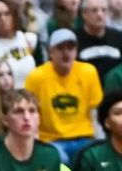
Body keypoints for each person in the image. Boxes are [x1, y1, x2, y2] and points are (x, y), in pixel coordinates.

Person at [23, 28, 103, 162]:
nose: (66, 53)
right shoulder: (36, 77)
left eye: (70, 48)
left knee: (95, 158)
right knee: (61, 160)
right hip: (51, 140)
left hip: (84, 138)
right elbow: (31, 112)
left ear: (76, 51)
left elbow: (94, 113)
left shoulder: (89, 72)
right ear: (50, 52)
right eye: (60, 48)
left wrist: (100, 142)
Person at [0, 90, 64, 171]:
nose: (27, 117)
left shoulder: (50, 155)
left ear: (39, 119)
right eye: (19, 111)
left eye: (32, 111)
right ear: (5, 120)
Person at [74, 0, 122, 75]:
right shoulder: (74, 40)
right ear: (84, 14)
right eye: (94, 10)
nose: (100, 14)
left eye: (103, 10)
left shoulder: (120, 38)